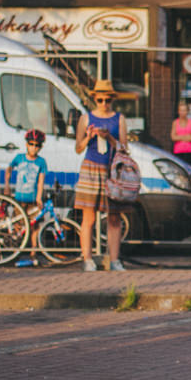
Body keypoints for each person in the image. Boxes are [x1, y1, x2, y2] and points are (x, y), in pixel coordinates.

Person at [75, 79, 126, 272]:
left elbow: (124, 148)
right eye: (100, 100)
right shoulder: (86, 118)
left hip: (111, 169)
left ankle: (114, 260)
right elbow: (78, 148)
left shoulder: (118, 119)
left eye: (107, 100)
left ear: (112, 100)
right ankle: (87, 258)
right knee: (89, 217)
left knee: (114, 217)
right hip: (91, 167)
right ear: (94, 99)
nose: (104, 104)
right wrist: (89, 136)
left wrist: (109, 138)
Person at [8, 128, 49, 217]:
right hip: (19, 199)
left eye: (37, 145)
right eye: (31, 144)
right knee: (18, 225)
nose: (34, 148)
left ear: (41, 147)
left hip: (33, 200)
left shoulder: (41, 161)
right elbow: (9, 169)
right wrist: (7, 185)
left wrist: (39, 198)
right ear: (27, 144)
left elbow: (40, 182)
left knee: (34, 225)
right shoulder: (19, 158)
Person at [170, 99, 191, 171]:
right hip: (178, 151)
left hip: (190, 151)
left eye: (184, 110)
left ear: (187, 111)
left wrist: (179, 137)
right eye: (181, 110)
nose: (182, 112)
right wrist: (187, 136)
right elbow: (173, 137)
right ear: (178, 111)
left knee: (190, 171)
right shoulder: (175, 123)